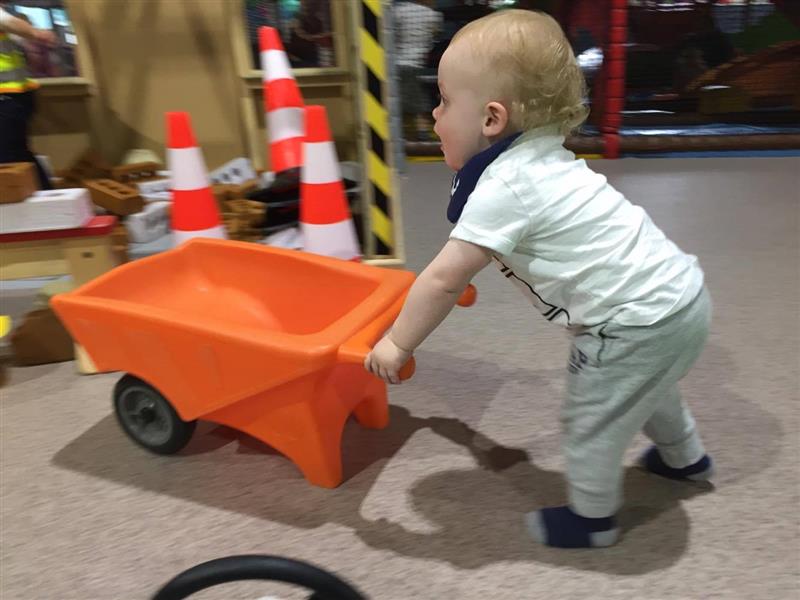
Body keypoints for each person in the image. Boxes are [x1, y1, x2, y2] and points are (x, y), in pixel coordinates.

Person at [364, 9, 714, 549]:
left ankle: (593, 520)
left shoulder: (506, 184)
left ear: (491, 120)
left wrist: (396, 343)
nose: (433, 115)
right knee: (649, 385)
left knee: (592, 416)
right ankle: (685, 458)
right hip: (679, 299)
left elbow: (442, 280)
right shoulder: (543, 152)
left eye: (444, 101)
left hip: (630, 325)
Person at [0, 4, 56, 189]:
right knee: (16, 154)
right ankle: (47, 196)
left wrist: (36, 33)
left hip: (9, 97)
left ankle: (42, 201)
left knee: (9, 156)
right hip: (13, 97)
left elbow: (9, 22)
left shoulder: (6, 18)